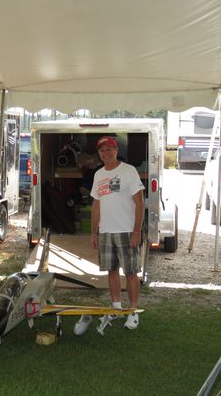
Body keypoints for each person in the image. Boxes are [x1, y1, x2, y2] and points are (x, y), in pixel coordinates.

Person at [74, 136, 145, 335]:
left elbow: (140, 203)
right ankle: (116, 308)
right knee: (111, 271)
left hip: (126, 230)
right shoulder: (98, 174)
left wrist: (136, 230)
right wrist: (94, 232)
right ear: (99, 153)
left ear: (116, 150)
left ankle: (133, 311)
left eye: (109, 149)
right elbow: (96, 205)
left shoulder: (129, 171)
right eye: (102, 151)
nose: (105, 153)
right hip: (106, 231)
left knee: (131, 272)